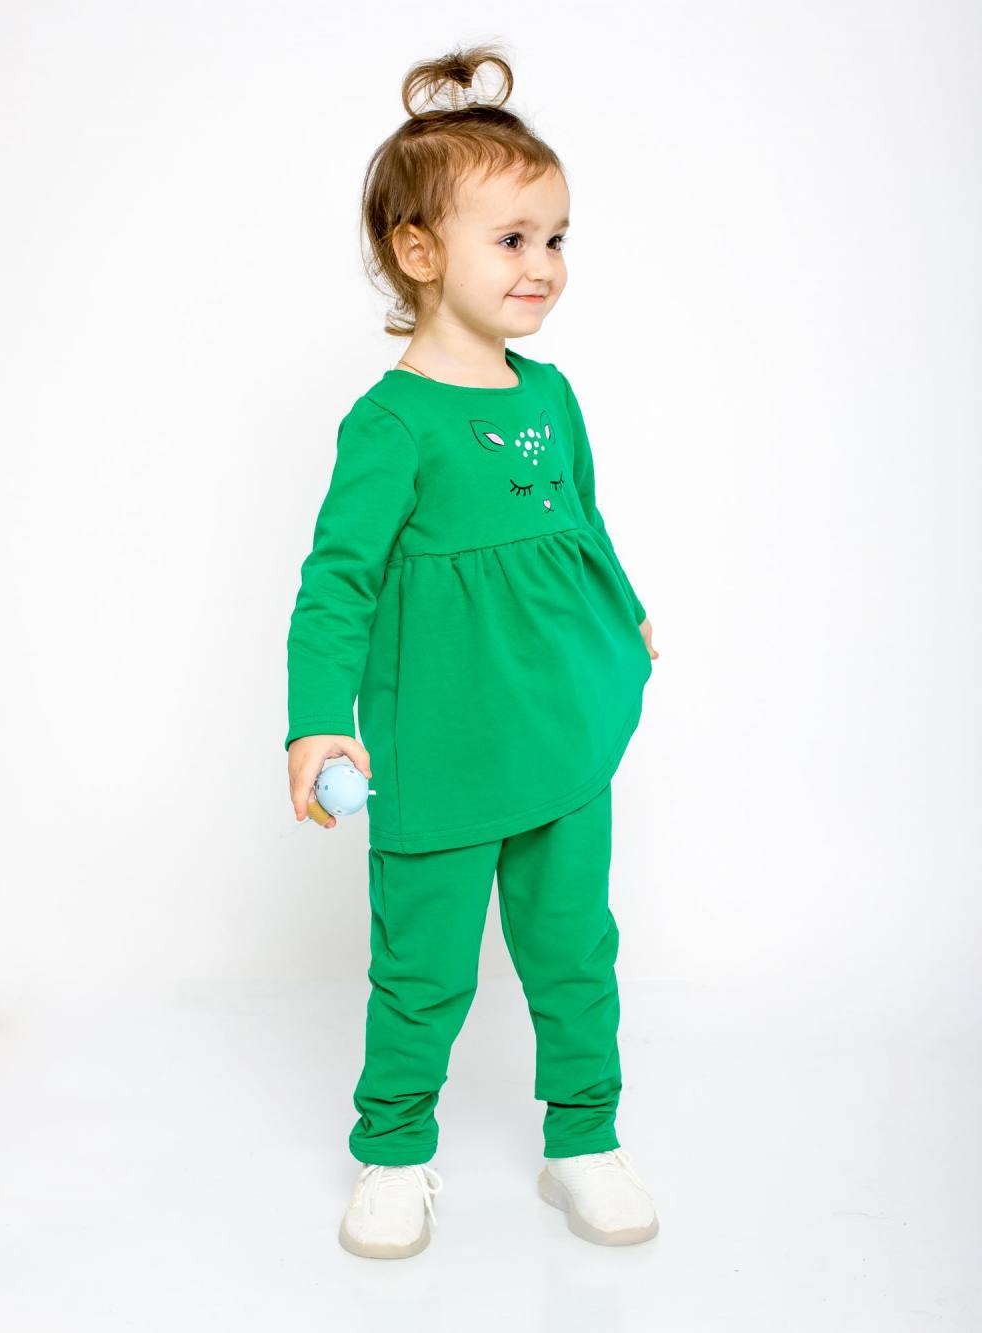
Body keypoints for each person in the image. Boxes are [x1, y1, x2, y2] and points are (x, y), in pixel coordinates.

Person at [284, 45, 661, 1259]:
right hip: (441, 749)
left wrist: (625, 611)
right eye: (510, 239)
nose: (542, 264)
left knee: (574, 950)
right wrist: (316, 719)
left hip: (561, 728)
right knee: (424, 969)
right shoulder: (391, 423)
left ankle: (583, 1138)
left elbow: (581, 524)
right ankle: (394, 1151)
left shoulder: (551, 396)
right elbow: (334, 584)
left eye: (555, 238)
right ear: (418, 251)